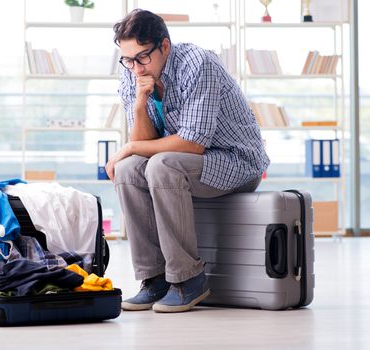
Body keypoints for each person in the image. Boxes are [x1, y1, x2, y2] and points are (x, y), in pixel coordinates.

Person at [106, 9, 270, 313]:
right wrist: (141, 103)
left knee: (161, 165)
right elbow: (144, 144)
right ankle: (153, 279)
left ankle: (188, 280)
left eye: (142, 58)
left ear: (164, 47)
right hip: (188, 163)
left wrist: (128, 146)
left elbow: (193, 143)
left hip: (235, 161)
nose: (135, 68)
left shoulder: (199, 63)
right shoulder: (132, 72)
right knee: (128, 169)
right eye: (127, 59)